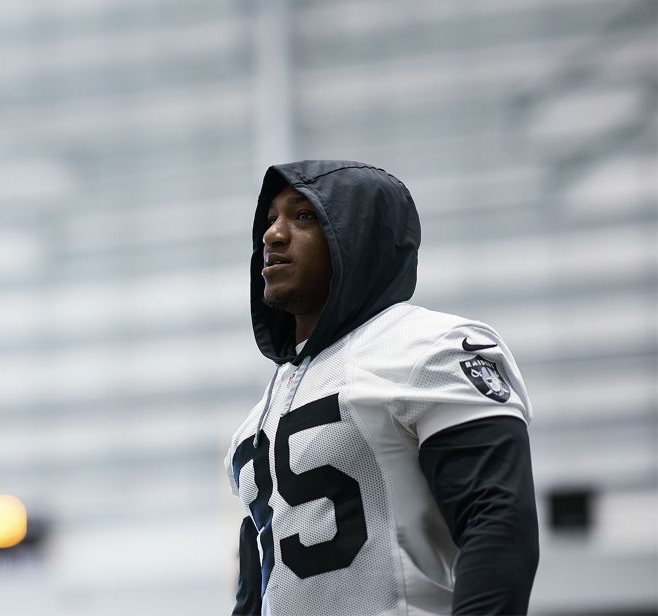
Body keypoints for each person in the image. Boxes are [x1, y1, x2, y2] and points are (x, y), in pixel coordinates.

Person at [225, 160, 539, 615]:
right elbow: (254, 591)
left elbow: (497, 522)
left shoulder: (429, 346)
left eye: (303, 215)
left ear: (357, 235)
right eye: (271, 218)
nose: (272, 235)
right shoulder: (259, 417)